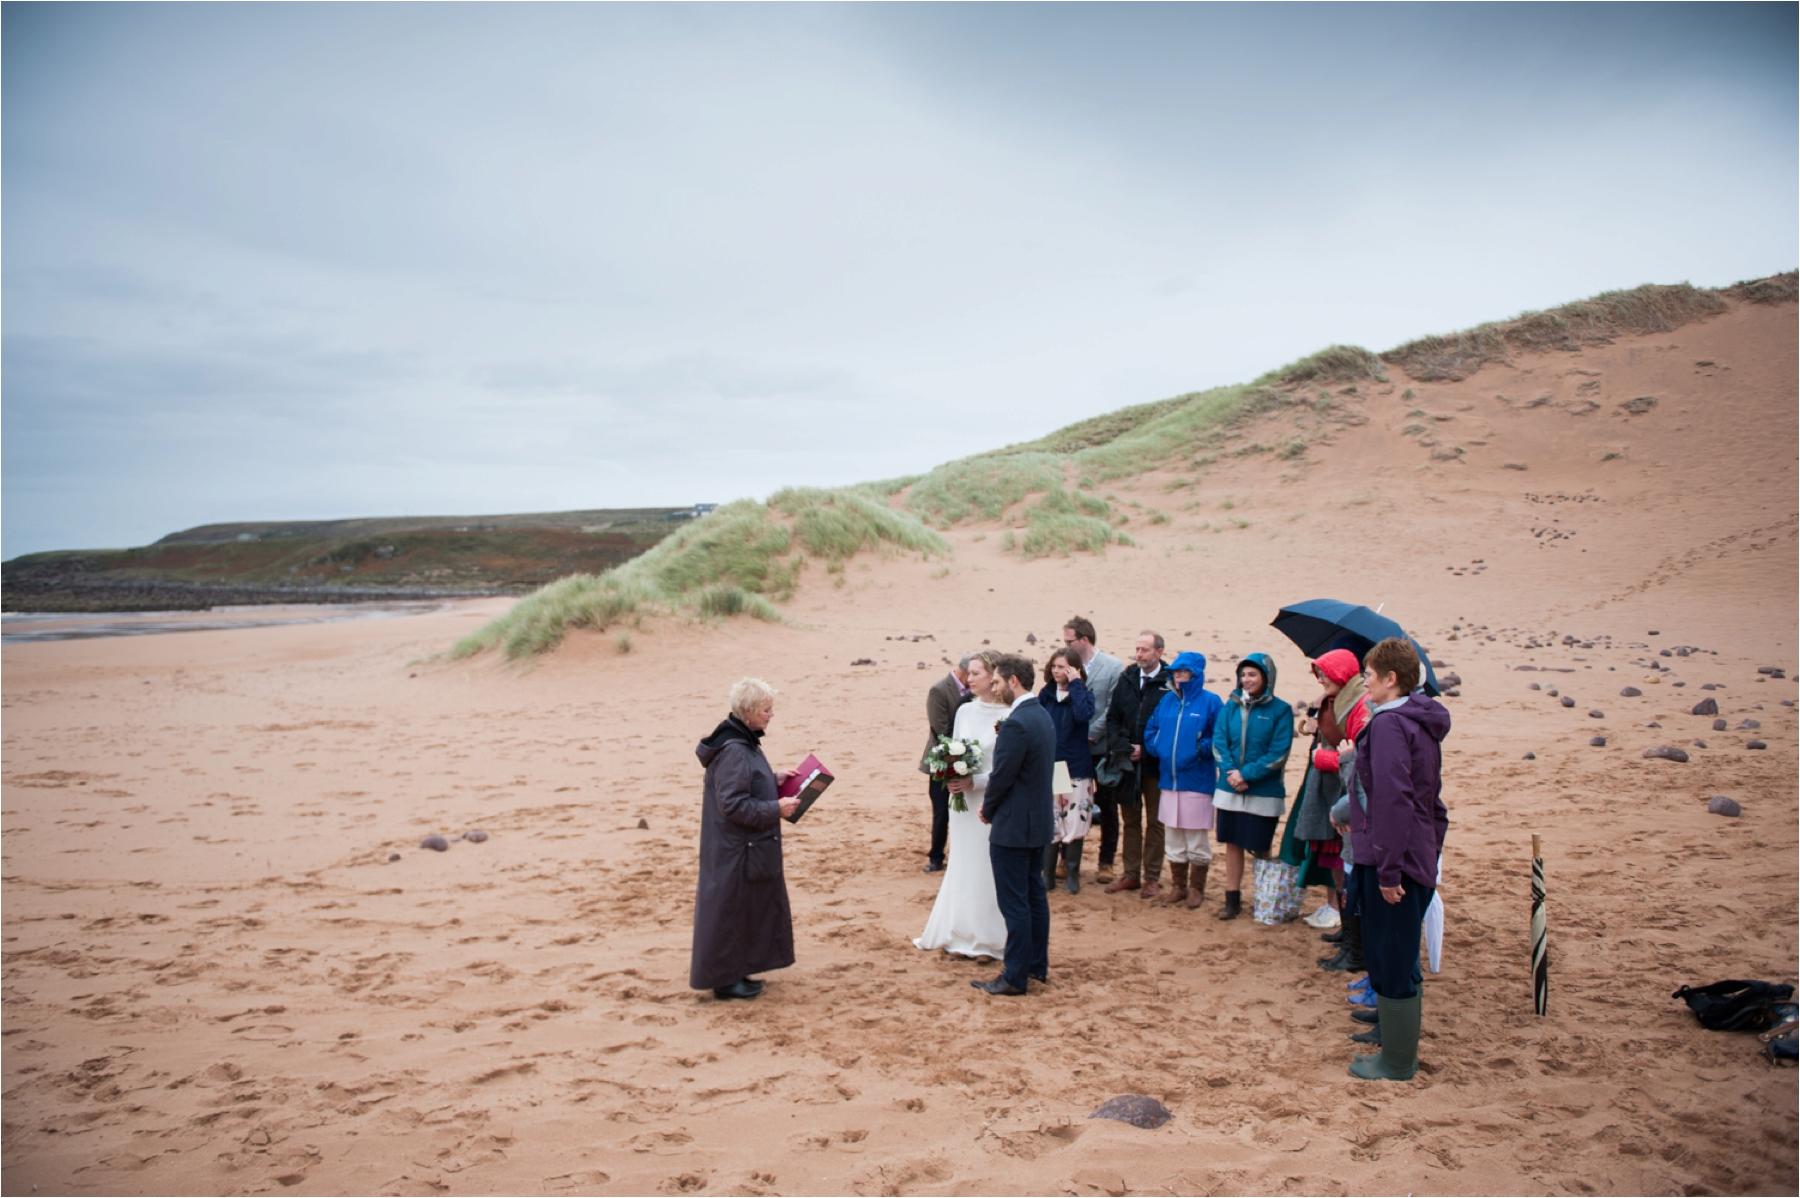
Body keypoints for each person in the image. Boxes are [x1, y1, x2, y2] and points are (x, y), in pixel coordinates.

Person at [1347, 637, 1450, 1081]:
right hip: (1410, 853)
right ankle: (1392, 1037)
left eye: (1370, 674)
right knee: (1397, 950)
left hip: (1395, 860)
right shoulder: (1411, 720)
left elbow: (1394, 800)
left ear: (1392, 679)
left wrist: (1389, 870)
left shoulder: (1392, 726)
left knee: (1392, 953)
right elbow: (1432, 804)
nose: (1364, 681)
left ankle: (1397, 1061)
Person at [690, 677, 802, 1001]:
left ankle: (736, 972)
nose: (771, 715)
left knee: (741, 910)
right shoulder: (736, 750)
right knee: (729, 911)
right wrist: (775, 809)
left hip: (739, 847)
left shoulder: (741, 741)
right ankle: (726, 980)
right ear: (750, 711)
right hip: (736, 849)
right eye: (766, 709)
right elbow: (733, 805)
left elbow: (742, 787)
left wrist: (772, 778)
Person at [915, 652, 1012, 960]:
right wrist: (951, 776)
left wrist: (977, 782)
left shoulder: (1010, 714)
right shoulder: (965, 712)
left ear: (993, 676)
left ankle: (987, 939)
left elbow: (1007, 765)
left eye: (976, 673)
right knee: (964, 861)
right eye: (968, 674)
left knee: (988, 865)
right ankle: (960, 931)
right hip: (963, 802)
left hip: (991, 800)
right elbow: (951, 752)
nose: (969, 679)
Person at [973, 654, 1056, 997]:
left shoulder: (1017, 723)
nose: (994, 687)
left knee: (1015, 902)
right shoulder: (1042, 716)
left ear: (1014, 682)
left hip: (1014, 826)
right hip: (1038, 823)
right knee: (1035, 895)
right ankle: (1037, 964)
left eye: (996, 682)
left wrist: (988, 809)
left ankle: (1015, 975)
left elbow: (1002, 775)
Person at [1210, 653, 1294, 920]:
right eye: (1244, 674)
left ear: (1266, 677)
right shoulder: (1230, 706)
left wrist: (1247, 775)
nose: (1247, 680)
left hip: (1263, 791)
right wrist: (1232, 774)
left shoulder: (1280, 710)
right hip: (1229, 789)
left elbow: (1278, 753)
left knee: (1261, 846)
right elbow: (1219, 742)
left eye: (1253, 674)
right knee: (1232, 844)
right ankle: (1232, 900)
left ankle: (1263, 898)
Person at [1140, 650, 1223, 908]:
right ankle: (1178, 886)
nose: (1178, 676)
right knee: (1173, 836)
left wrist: (1199, 749)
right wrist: (1159, 748)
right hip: (1169, 779)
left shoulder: (1211, 702)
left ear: (1195, 674)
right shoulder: (1168, 701)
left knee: (1196, 838)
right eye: (1175, 672)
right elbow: (1151, 729)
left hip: (1197, 780)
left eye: (1183, 672)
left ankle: (1196, 889)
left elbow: (1218, 736)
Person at [1305, 649, 1370, 967]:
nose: (1321, 679)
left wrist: (1323, 758)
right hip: (1334, 792)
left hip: (1350, 796)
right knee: (1339, 866)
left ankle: (1355, 950)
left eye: (1325, 673)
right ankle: (1348, 936)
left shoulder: (1359, 708)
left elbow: (1361, 758)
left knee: (1349, 871)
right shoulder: (1334, 701)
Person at [1103, 631, 1171, 898]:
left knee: (1155, 821)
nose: (1139, 654)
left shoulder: (1169, 682)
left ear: (1159, 652)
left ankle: (1151, 877)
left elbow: (1171, 725)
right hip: (1128, 765)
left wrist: (1148, 749)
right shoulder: (1127, 678)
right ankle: (1130, 874)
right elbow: (1113, 718)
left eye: (1145, 649)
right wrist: (1123, 747)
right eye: (1137, 649)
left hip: (1155, 765)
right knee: (1130, 819)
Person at [1062, 617, 1124, 883]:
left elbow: (1113, 707)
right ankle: (1064, 860)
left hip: (1100, 748)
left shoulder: (1113, 667)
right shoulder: (1062, 665)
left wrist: (1090, 734)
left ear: (1084, 640)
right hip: (1066, 751)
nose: (1065, 645)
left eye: (1069, 641)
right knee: (1063, 802)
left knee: (1107, 805)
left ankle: (1106, 862)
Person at [1039, 647, 1096, 894]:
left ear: (1074, 668)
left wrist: (1076, 685)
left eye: (1062, 667)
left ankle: (1072, 871)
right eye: (1054, 666)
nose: (1057, 671)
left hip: (1076, 767)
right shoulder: (1045, 695)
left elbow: (1083, 715)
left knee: (1075, 819)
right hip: (1052, 766)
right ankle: (1048, 873)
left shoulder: (1083, 694)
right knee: (1052, 818)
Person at [919, 655, 973, 873]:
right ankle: (936, 857)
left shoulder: (974, 692)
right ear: (961, 671)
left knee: (964, 809)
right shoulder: (939, 690)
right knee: (941, 810)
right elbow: (939, 729)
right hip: (941, 761)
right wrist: (963, 751)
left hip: (967, 760)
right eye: (972, 673)